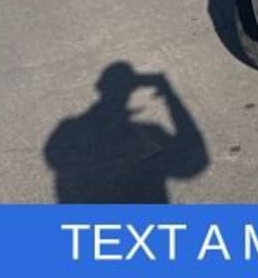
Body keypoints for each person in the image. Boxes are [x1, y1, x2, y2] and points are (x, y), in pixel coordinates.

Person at [43, 62, 208, 203]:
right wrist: (169, 93)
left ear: (99, 86)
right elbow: (194, 164)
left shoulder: (69, 129)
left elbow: (53, 159)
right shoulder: (149, 132)